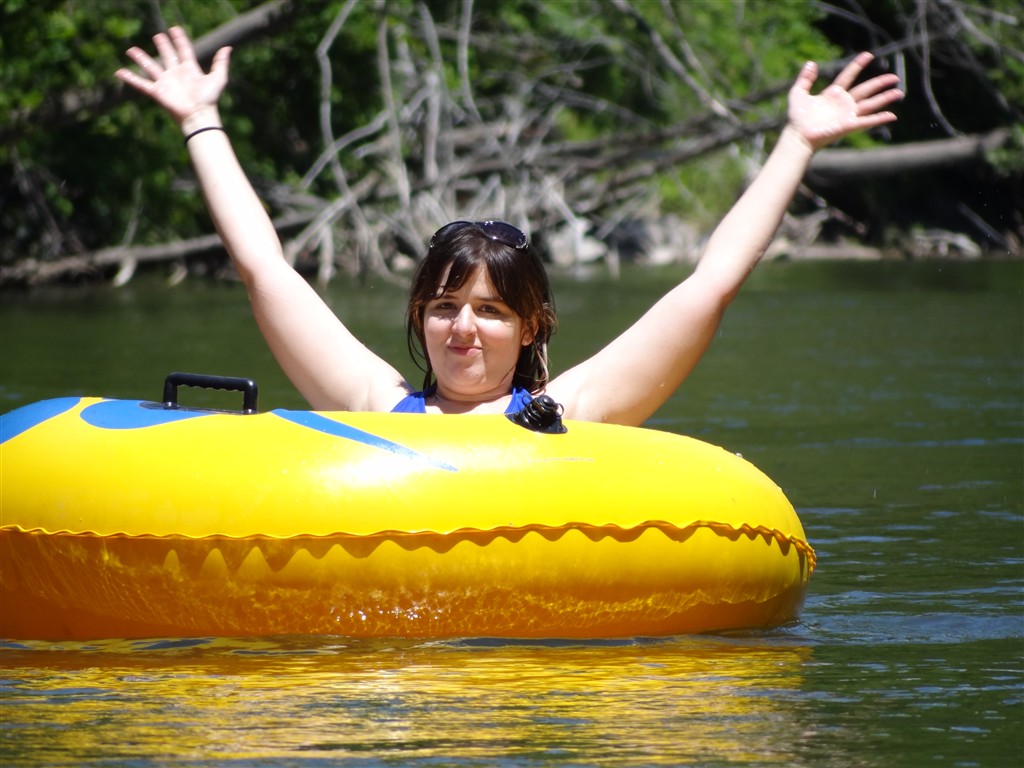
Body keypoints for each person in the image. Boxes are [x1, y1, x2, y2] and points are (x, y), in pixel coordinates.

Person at [116, 27, 902, 427]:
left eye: (490, 310)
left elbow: (711, 283)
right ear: (420, 317)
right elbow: (266, 269)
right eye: (445, 306)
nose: (463, 328)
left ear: (530, 327)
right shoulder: (373, 404)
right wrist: (200, 120)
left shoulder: (570, 410)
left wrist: (797, 142)